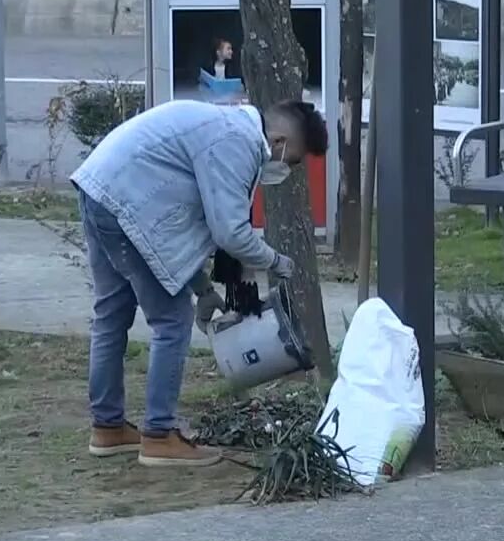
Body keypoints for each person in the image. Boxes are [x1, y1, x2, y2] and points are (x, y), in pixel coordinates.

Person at [70, 98, 329, 467]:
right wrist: (276, 262)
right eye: (290, 160)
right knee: (172, 322)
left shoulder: (225, 125)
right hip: (123, 202)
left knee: (112, 313)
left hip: (101, 188)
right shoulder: (237, 142)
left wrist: (203, 288)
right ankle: (160, 435)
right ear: (279, 141)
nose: (285, 168)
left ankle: (108, 428)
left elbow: (168, 231)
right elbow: (230, 232)